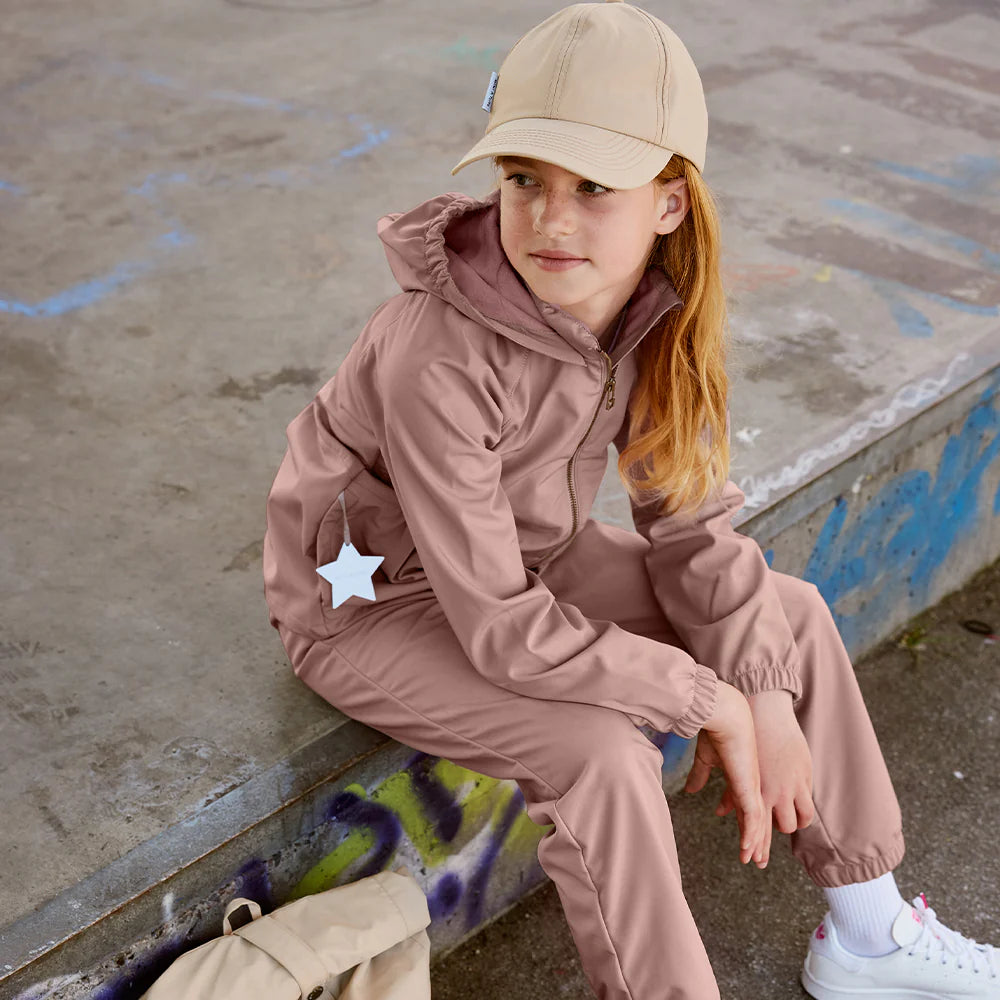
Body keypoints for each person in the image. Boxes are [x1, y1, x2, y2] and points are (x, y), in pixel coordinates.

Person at [261, 2, 999, 997]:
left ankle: (869, 937)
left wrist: (764, 693)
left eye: (594, 186)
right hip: (371, 602)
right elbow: (499, 629)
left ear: (669, 204)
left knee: (787, 614)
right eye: (524, 179)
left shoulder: (654, 315)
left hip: (525, 558)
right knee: (602, 753)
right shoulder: (435, 352)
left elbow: (690, 527)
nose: (549, 218)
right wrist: (706, 698)